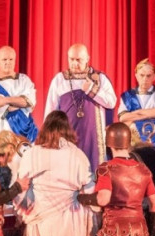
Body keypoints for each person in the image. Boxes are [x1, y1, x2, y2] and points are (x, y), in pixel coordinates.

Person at [44, 43, 117, 171]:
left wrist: (91, 89)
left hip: (93, 138)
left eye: (79, 60)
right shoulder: (59, 79)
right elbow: (51, 110)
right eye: (71, 59)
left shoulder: (100, 78)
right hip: (67, 135)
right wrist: (48, 136)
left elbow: (111, 102)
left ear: (87, 58)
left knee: (94, 170)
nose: (74, 63)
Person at [0, 46, 39, 142]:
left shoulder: (24, 80)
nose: (8, 62)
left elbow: (29, 101)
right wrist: (19, 103)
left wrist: (5, 100)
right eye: (4, 59)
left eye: (11, 59)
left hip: (24, 133)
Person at [118, 58, 155, 150]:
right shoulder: (127, 96)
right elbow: (122, 117)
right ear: (136, 76)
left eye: (148, 76)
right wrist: (149, 114)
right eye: (142, 75)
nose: (145, 79)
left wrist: (135, 114)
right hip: (134, 140)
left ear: (154, 77)